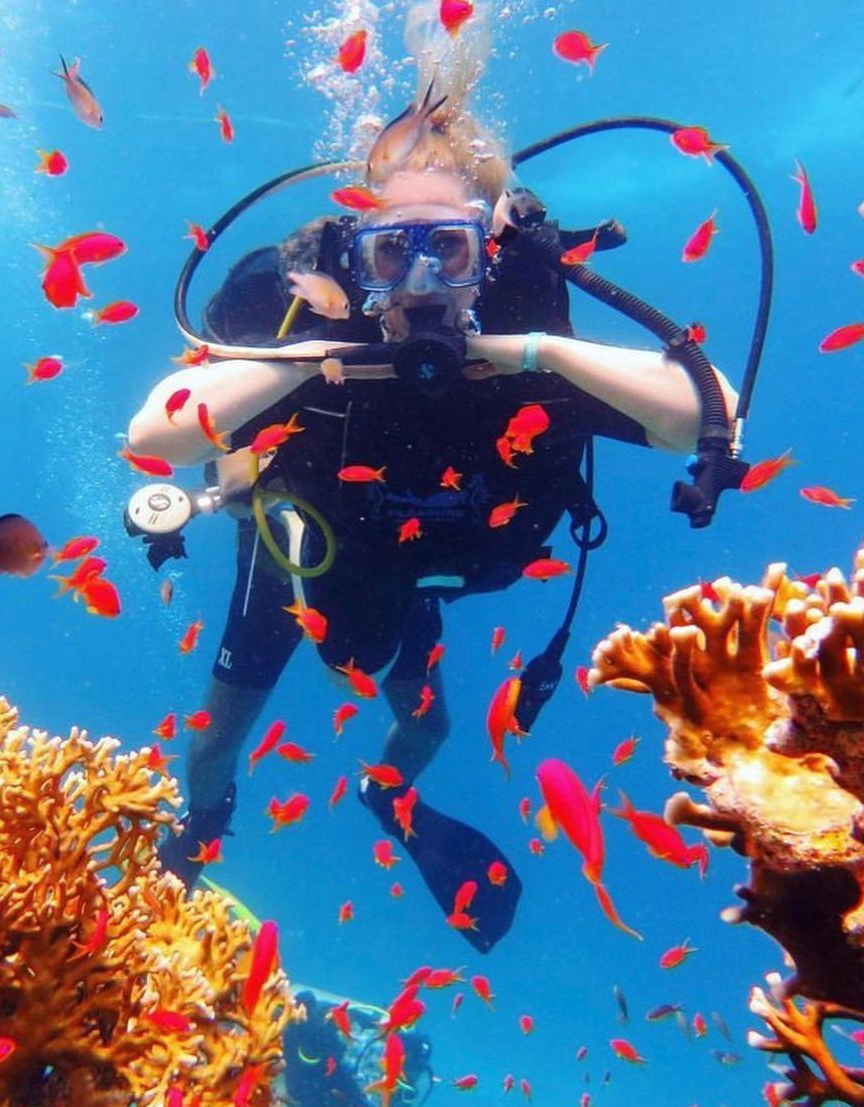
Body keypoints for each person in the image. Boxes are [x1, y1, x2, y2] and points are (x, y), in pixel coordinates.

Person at [128, 11, 738, 953]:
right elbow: (154, 435)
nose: (419, 278)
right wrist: (316, 355)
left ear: (486, 249)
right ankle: (204, 824)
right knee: (212, 739)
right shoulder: (323, 328)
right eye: (391, 249)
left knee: (428, 730)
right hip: (301, 561)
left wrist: (536, 351)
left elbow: (712, 414)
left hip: (415, 569)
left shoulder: (529, 350)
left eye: (446, 248)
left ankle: (386, 793)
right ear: (355, 251)